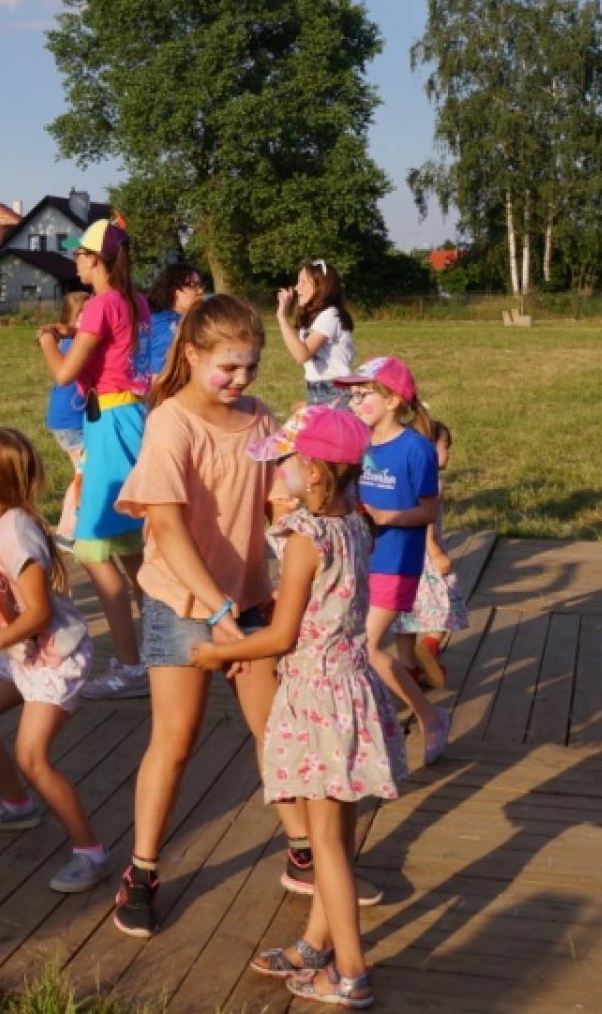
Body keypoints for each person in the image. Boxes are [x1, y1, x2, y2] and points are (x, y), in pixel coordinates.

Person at [113, 296, 319, 936]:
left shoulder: (259, 417)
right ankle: (141, 872)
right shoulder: (171, 423)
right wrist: (216, 607)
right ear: (193, 353)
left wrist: (301, 481)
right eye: (228, 366)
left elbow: (276, 501)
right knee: (176, 739)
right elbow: (167, 528)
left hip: (249, 601)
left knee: (275, 731)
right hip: (181, 602)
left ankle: (304, 853)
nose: (241, 379)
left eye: (251, 367)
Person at [202, 403, 406, 1007]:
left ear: (313, 472)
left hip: (317, 698)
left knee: (326, 849)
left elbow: (282, 634)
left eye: (286, 460)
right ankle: (317, 944)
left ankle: (351, 974)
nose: (279, 470)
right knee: (336, 835)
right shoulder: (355, 524)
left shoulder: (304, 540)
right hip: (350, 689)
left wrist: (215, 654)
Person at [0, 427, 107, 894]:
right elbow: (2, 581)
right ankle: (17, 806)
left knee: (33, 758)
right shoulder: (0, 522)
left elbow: (39, 611)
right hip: (25, 650)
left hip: (53, 656)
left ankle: (90, 852)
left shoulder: (16, 529)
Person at [37, 216, 151, 700]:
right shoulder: (133, 300)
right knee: (132, 548)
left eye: (81, 253)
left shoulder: (101, 303)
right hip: (130, 417)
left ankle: (130, 665)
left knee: (92, 548)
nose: (75, 260)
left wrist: (49, 340)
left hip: (109, 427)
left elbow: (65, 373)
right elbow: (111, 341)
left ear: (98, 260)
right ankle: (160, 652)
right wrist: (73, 327)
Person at [336, 356, 451, 762]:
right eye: (351, 396)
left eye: (362, 395)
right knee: (348, 643)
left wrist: (387, 517)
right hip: (359, 557)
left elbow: (429, 511)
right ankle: (369, 719)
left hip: (396, 561)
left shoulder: (416, 449)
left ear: (392, 401)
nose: (354, 403)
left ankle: (429, 716)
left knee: (363, 647)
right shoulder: (357, 442)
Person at [396, 420, 465, 690]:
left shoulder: (405, 477)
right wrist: (435, 550)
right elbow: (426, 519)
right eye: (443, 446)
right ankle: (431, 645)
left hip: (404, 557)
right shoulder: (432, 482)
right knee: (447, 604)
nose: (447, 453)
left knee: (406, 617)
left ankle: (409, 670)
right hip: (427, 554)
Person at [275, 259, 356, 408]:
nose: (297, 288)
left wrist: (282, 317)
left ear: (321, 287)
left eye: (304, 282)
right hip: (315, 389)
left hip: (335, 391)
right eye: (298, 282)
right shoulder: (312, 318)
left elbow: (302, 355)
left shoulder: (330, 315)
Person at [46, 290, 89, 542]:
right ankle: (69, 532)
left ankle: (69, 530)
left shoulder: (73, 343)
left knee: (83, 472)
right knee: (85, 473)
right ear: (70, 320)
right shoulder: (76, 345)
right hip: (71, 425)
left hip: (70, 422)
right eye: (84, 313)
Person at [139, 262, 205, 379]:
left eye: (200, 285)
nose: (200, 291)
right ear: (175, 291)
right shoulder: (162, 324)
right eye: (193, 285)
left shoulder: (194, 321)